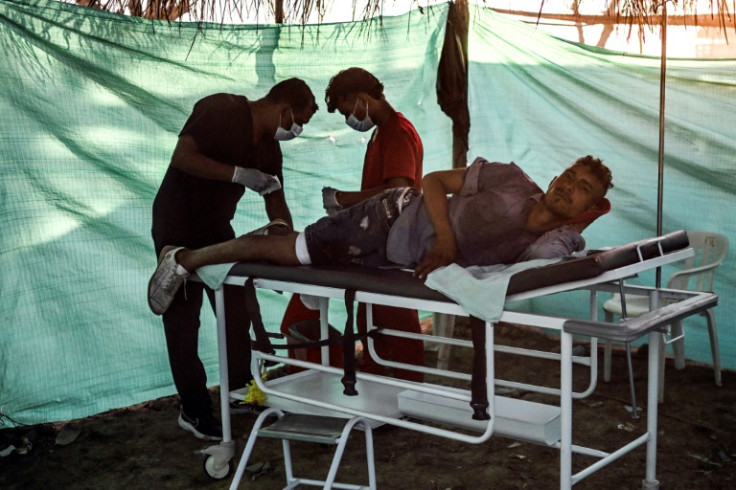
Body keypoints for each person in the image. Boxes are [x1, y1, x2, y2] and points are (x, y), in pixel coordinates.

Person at [149, 154, 613, 320]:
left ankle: (279, 235)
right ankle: (186, 259)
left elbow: (566, 243)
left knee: (299, 256)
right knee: (291, 254)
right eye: (568, 175)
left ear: (587, 209)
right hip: (388, 218)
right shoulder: (510, 178)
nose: (568, 186)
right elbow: (430, 181)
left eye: (582, 190)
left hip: (396, 257)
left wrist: (589, 216)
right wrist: (446, 242)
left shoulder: (540, 246)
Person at [149, 78, 318, 441]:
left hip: (215, 227)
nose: (296, 130)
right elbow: (183, 157)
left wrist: (283, 233)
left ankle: (239, 391)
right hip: (176, 223)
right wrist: (238, 175)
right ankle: (194, 410)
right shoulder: (221, 109)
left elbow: (275, 197)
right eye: (296, 121)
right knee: (183, 319)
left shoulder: (270, 149)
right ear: (282, 108)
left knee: (236, 308)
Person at [280, 67, 425, 381]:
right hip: (379, 245)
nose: (349, 118)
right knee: (371, 320)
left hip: (394, 248)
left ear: (362, 99)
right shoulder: (381, 133)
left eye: (347, 110)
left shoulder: (398, 132)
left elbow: (399, 193)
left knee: (393, 321)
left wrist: (345, 200)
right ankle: (381, 387)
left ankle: (408, 392)